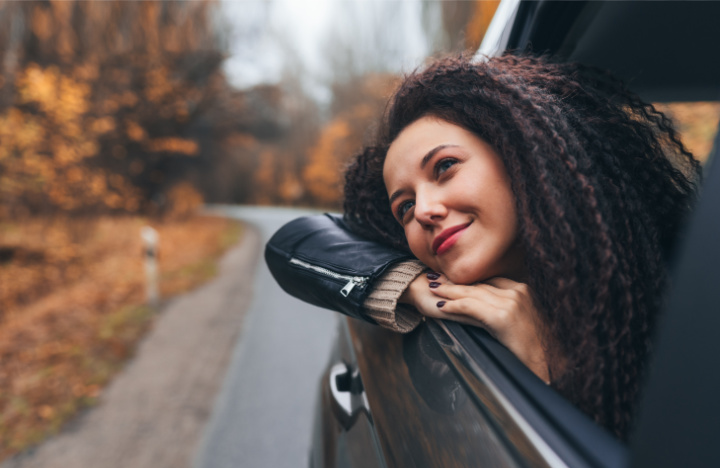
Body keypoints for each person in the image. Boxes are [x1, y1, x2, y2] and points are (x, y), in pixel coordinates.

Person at [265, 54, 701, 440]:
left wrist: (547, 370)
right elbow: (292, 243)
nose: (424, 211)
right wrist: (417, 285)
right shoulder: (432, 278)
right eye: (404, 207)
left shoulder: (685, 298)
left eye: (445, 166)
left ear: (522, 151)